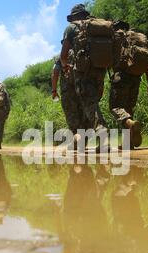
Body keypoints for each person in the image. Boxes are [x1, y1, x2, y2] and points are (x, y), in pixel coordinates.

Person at [60, 4, 109, 152]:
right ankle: (83, 140)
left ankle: (102, 132)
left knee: (89, 104)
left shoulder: (71, 28)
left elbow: (63, 55)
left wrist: (66, 65)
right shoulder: (97, 28)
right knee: (91, 102)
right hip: (100, 70)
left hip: (83, 72)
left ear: (74, 17)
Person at [110, 21, 148, 149]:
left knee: (116, 107)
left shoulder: (117, 38)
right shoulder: (137, 39)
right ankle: (128, 143)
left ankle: (130, 123)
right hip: (137, 77)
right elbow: (147, 64)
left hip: (121, 77)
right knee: (129, 108)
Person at [51, 53, 89, 150]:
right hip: (84, 89)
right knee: (84, 117)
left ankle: (76, 139)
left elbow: (55, 71)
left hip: (68, 91)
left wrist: (54, 90)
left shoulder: (63, 55)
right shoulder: (84, 51)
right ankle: (81, 142)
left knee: (72, 118)